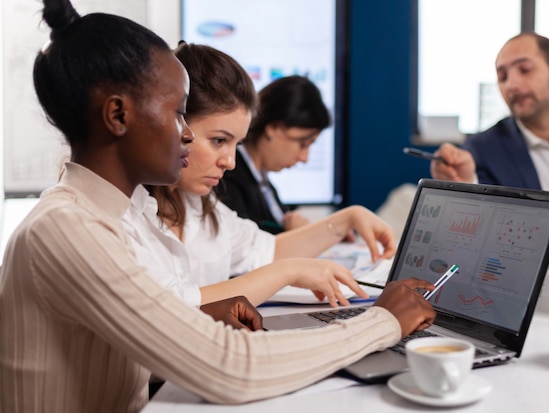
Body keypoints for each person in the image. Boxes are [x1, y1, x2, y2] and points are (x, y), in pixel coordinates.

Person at [0, 2, 436, 413]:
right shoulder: (67, 229)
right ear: (118, 115)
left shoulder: (119, 212)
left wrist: (194, 316)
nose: (187, 135)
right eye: (178, 113)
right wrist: (381, 323)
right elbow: (231, 368)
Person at [123, 43, 394, 308]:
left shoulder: (202, 207)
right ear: (175, 125)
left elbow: (267, 251)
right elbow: (168, 307)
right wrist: (287, 272)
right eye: (219, 140)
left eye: (235, 145)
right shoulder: (121, 215)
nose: (230, 162)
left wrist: (347, 219)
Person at [430, 32, 549, 191]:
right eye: (502, 76)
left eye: (525, 70)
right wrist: (466, 183)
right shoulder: (483, 149)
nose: (511, 85)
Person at [218, 75, 330, 233]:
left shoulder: (262, 183)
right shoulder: (228, 179)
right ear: (273, 128)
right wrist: (294, 236)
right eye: (303, 144)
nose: (304, 158)